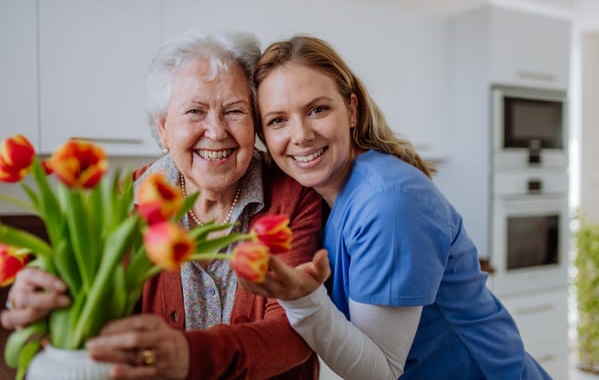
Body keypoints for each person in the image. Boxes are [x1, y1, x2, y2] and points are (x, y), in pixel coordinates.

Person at [0, 31, 323, 379]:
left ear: (254, 124)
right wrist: (48, 302)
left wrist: (189, 354)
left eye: (234, 111)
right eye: (195, 111)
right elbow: (93, 307)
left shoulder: (294, 197)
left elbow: (297, 329)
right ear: (163, 129)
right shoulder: (126, 201)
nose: (215, 131)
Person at [239, 35, 552, 380]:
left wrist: (302, 299)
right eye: (278, 120)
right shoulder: (323, 195)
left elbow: (381, 371)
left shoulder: (387, 203)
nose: (300, 135)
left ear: (352, 111)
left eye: (317, 110)